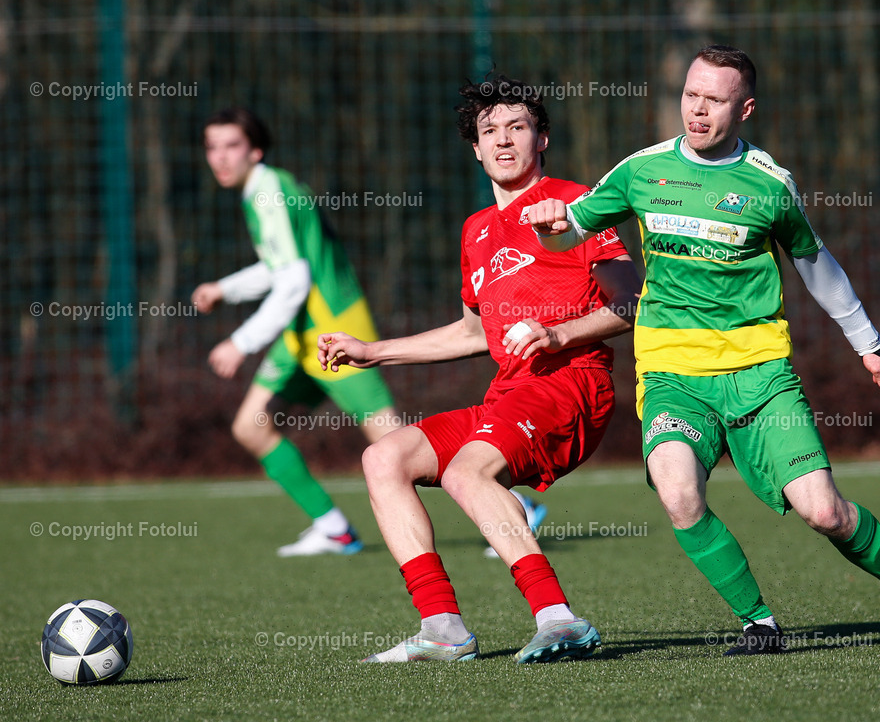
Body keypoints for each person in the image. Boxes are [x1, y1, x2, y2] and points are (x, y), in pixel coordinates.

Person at [528, 45, 880, 654]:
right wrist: (550, 223)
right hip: (671, 371)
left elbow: (817, 266)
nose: (697, 109)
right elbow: (571, 235)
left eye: (714, 100)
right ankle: (759, 624)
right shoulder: (641, 170)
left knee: (825, 513)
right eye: (691, 95)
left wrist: (868, 343)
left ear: (745, 110)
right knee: (679, 492)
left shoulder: (770, 184)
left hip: (760, 374)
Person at [317, 75, 641, 663]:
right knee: (383, 457)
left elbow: (630, 304)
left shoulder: (575, 202)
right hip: (510, 393)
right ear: (475, 148)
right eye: (489, 131)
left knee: (468, 473)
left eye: (517, 126)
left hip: (573, 382)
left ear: (541, 137)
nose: (503, 140)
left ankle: (559, 620)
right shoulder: (475, 231)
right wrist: (373, 350)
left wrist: (556, 333)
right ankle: (442, 628)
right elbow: (472, 333)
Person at [192, 107, 402, 557]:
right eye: (212, 147)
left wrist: (240, 342)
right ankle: (334, 528)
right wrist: (224, 289)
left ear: (256, 150)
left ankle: (512, 508)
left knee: (398, 444)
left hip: (334, 331)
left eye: (232, 146)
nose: (220, 158)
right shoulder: (263, 190)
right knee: (251, 426)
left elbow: (293, 281)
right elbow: (279, 268)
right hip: (302, 332)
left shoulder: (268, 193)